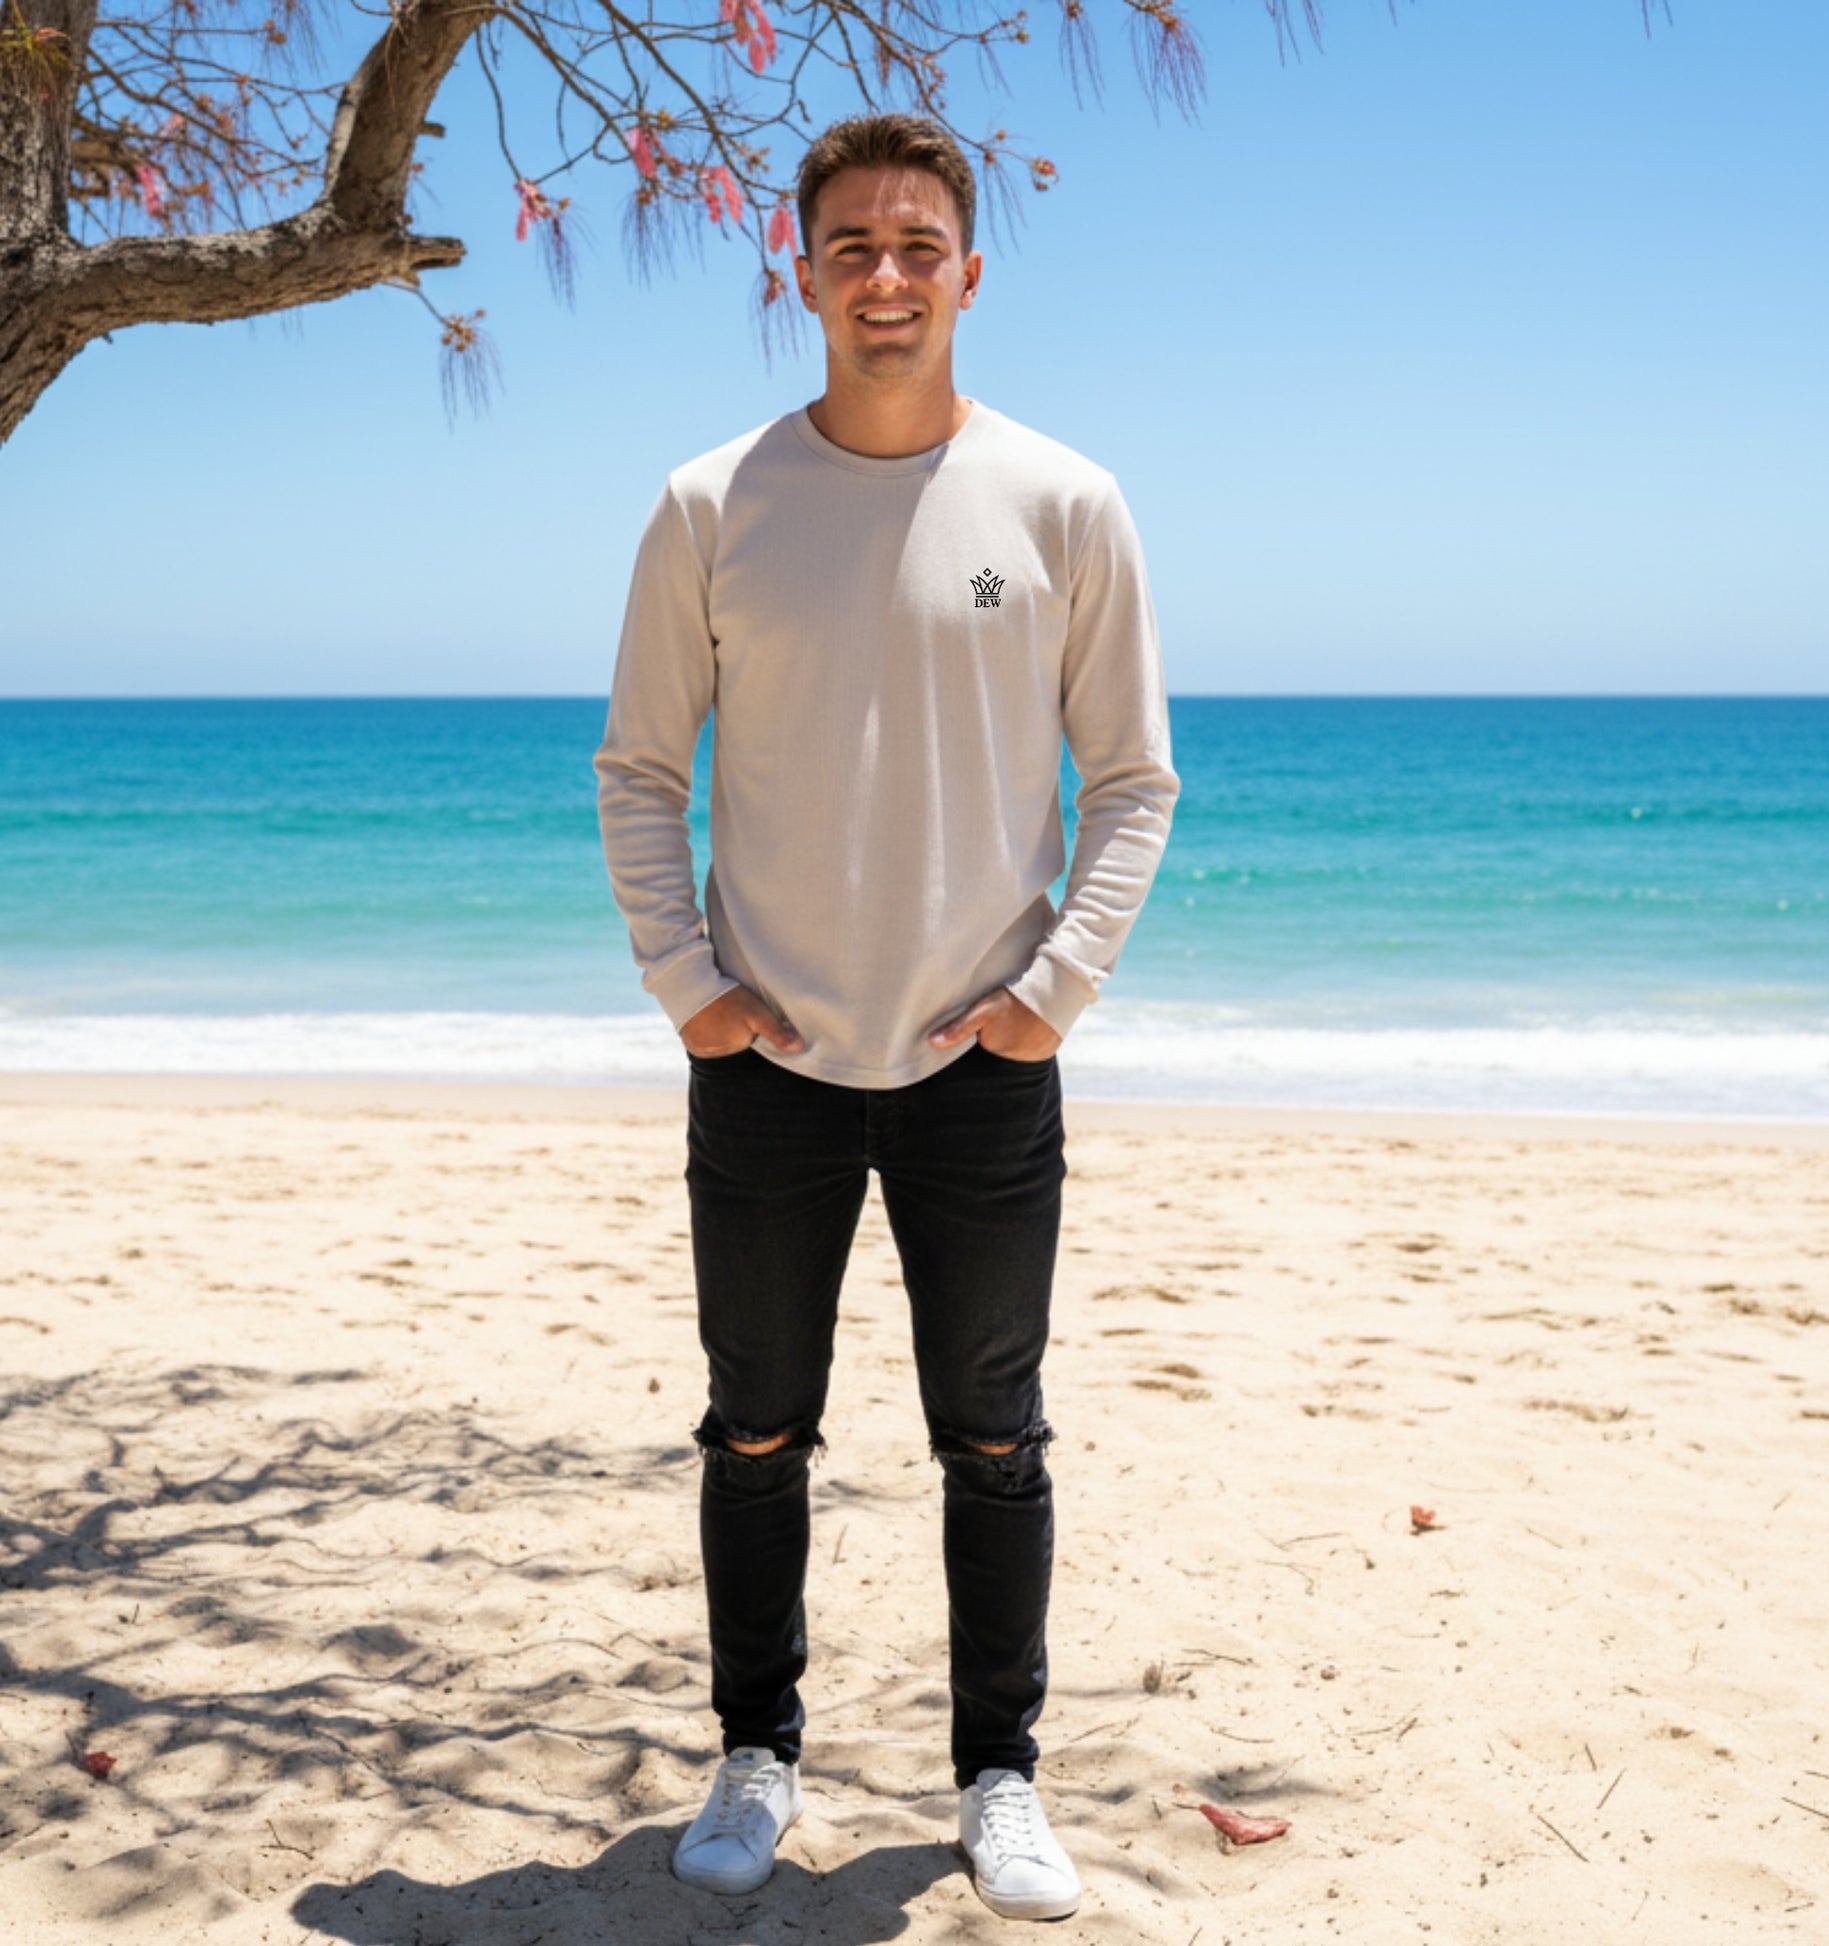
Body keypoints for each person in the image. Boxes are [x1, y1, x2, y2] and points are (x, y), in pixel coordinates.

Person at [592, 110, 1179, 1923]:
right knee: (754, 1427)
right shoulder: (712, 503)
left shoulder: (1064, 501)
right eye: (851, 244)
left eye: (917, 243)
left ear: (969, 272)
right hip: (766, 1066)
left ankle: (998, 1776)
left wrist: (1045, 998)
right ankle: (755, 1752)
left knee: (992, 1438)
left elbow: (1132, 781)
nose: (886, 274)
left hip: (976, 1068)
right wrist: (689, 988)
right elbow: (634, 771)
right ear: (803, 269)